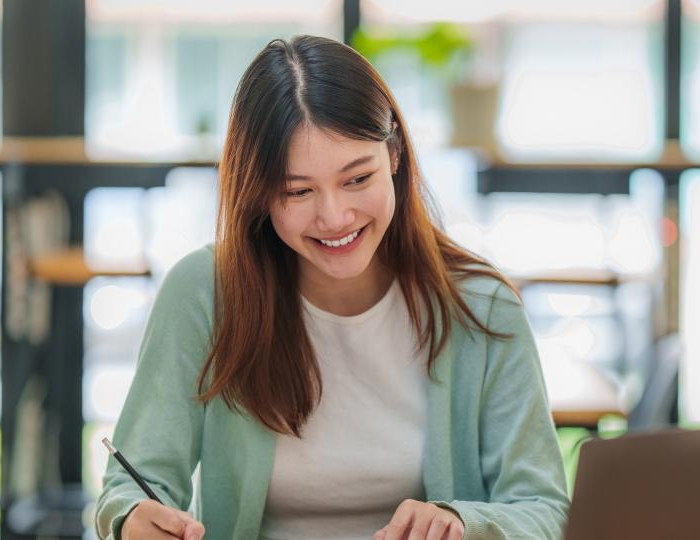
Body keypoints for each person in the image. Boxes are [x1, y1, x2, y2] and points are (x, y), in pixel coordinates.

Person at [95, 34, 569, 540]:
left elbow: (544, 508)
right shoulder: (205, 293)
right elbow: (132, 486)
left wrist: (462, 523)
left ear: (394, 156)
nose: (334, 217)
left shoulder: (480, 306)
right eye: (297, 191)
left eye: (357, 179)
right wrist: (131, 521)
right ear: (258, 193)